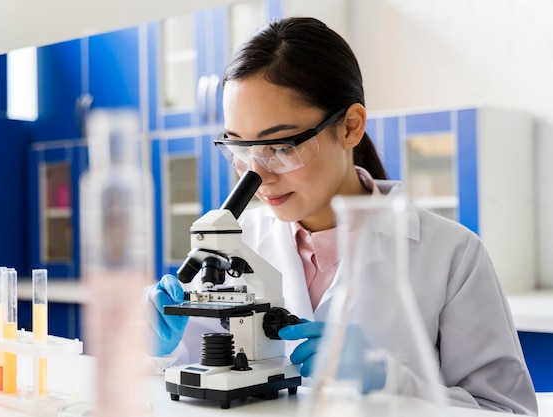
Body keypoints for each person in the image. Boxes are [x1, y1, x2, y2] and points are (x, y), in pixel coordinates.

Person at [146, 16, 537, 415]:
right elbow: (180, 384)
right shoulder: (238, 240)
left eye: (280, 147)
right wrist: (154, 348)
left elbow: (507, 410)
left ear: (350, 127)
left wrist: (390, 383)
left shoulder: (452, 255)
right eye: (240, 148)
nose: (256, 175)